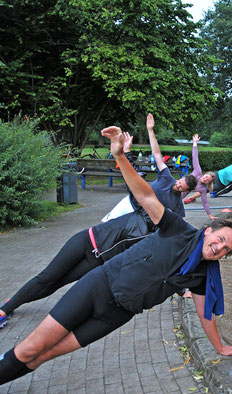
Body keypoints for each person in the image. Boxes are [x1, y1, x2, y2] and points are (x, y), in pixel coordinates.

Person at [0, 126, 232, 385]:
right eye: (220, 239)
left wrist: (219, 347)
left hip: (116, 314)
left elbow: (204, 314)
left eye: (225, 249)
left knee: (43, 356)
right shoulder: (177, 229)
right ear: (208, 231)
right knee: (31, 349)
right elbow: (144, 195)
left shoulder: (201, 275)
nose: (219, 247)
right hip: (97, 287)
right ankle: (7, 309)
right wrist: (120, 156)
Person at [0, 115, 197, 329]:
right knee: (47, 277)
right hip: (87, 241)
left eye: (182, 186)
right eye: (179, 182)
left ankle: (12, 306)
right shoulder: (143, 207)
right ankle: (5, 309)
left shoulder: (159, 229)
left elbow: (170, 251)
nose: (177, 186)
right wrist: (124, 152)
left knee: (56, 284)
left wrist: (181, 287)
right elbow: (134, 183)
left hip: (96, 261)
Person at [181, 134, 218, 219]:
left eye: (207, 180)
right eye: (206, 177)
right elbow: (195, 157)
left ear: (209, 183)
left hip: (181, 195)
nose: (205, 179)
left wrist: (210, 215)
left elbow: (205, 203)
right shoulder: (198, 171)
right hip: (177, 184)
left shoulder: (203, 189)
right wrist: (194, 143)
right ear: (205, 174)